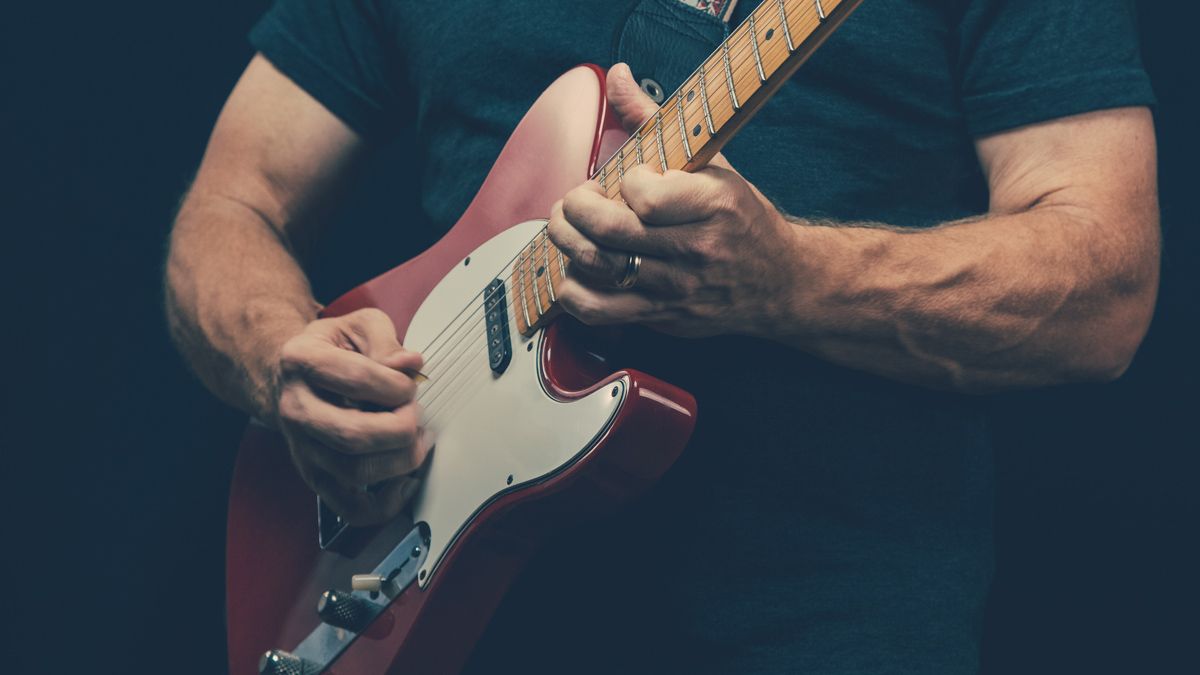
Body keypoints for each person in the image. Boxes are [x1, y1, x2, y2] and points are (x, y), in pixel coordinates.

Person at [165, 0, 1159, 672]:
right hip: (439, 613)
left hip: (828, 626)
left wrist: (794, 279)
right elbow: (232, 204)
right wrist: (276, 357)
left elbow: (1106, 285)